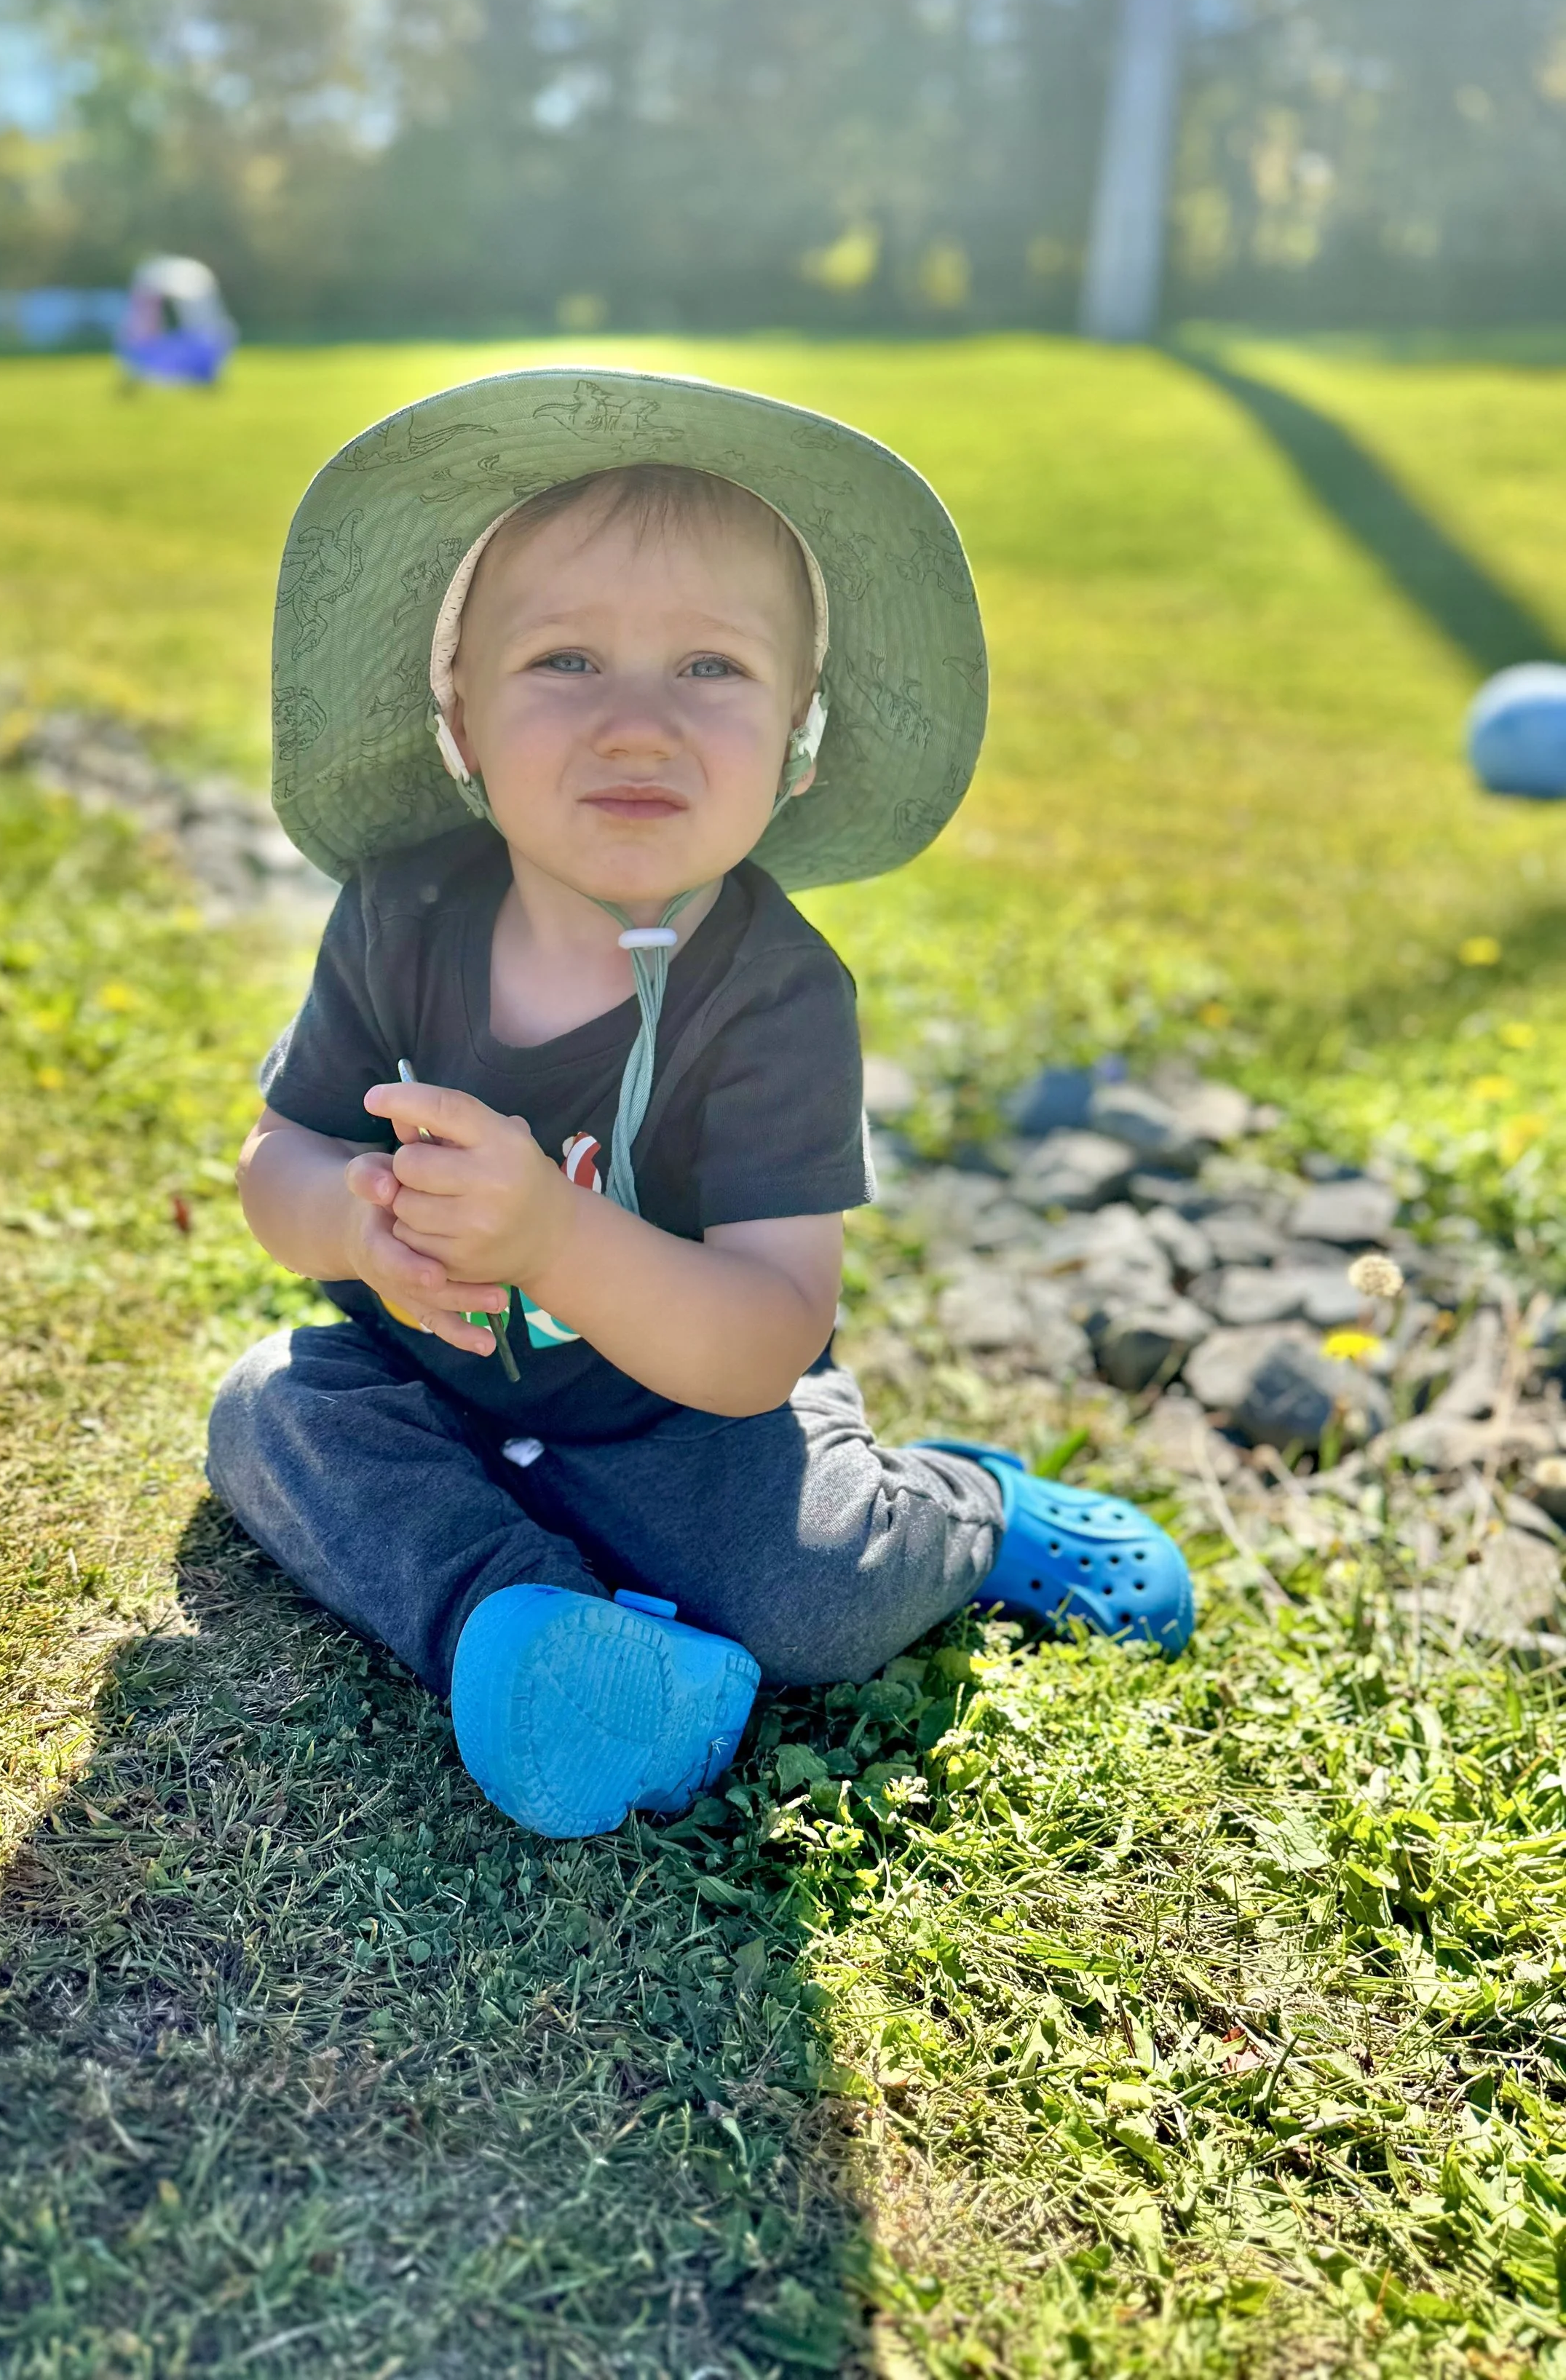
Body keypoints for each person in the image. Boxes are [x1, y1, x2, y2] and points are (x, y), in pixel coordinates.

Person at [208, 368, 1193, 1840]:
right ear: (457, 717)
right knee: (269, 1414)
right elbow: (279, 1154)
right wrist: (358, 1224)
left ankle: (962, 1514)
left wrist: (551, 1237)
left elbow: (759, 1338)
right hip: (429, 1380)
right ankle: (525, 1620)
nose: (636, 728)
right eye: (562, 662)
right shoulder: (402, 910)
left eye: (710, 671)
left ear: (798, 739)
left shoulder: (778, 996)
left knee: (806, 1594)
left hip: (682, 1415)